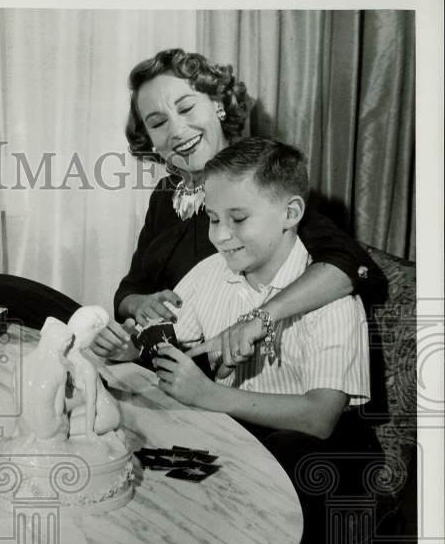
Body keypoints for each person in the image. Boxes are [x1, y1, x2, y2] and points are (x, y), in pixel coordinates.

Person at [106, 136, 378, 544]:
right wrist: (130, 348)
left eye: (238, 219)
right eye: (212, 218)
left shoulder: (334, 299)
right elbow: (170, 343)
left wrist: (209, 395)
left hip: (323, 443)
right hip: (246, 424)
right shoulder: (213, 272)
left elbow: (321, 417)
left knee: (291, 456)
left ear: (291, 212)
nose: (220, 235)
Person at [92, 48, 383, 366]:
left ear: (217, 105)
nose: (176, 130)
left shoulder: (257, 179)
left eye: (187, 108)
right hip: (152, 354)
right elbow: (128, 290)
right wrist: (141, 304)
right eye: (159, 123)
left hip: (215, 369)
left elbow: (354, 265)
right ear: (149, 140)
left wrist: (260, 319)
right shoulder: (165, 195)